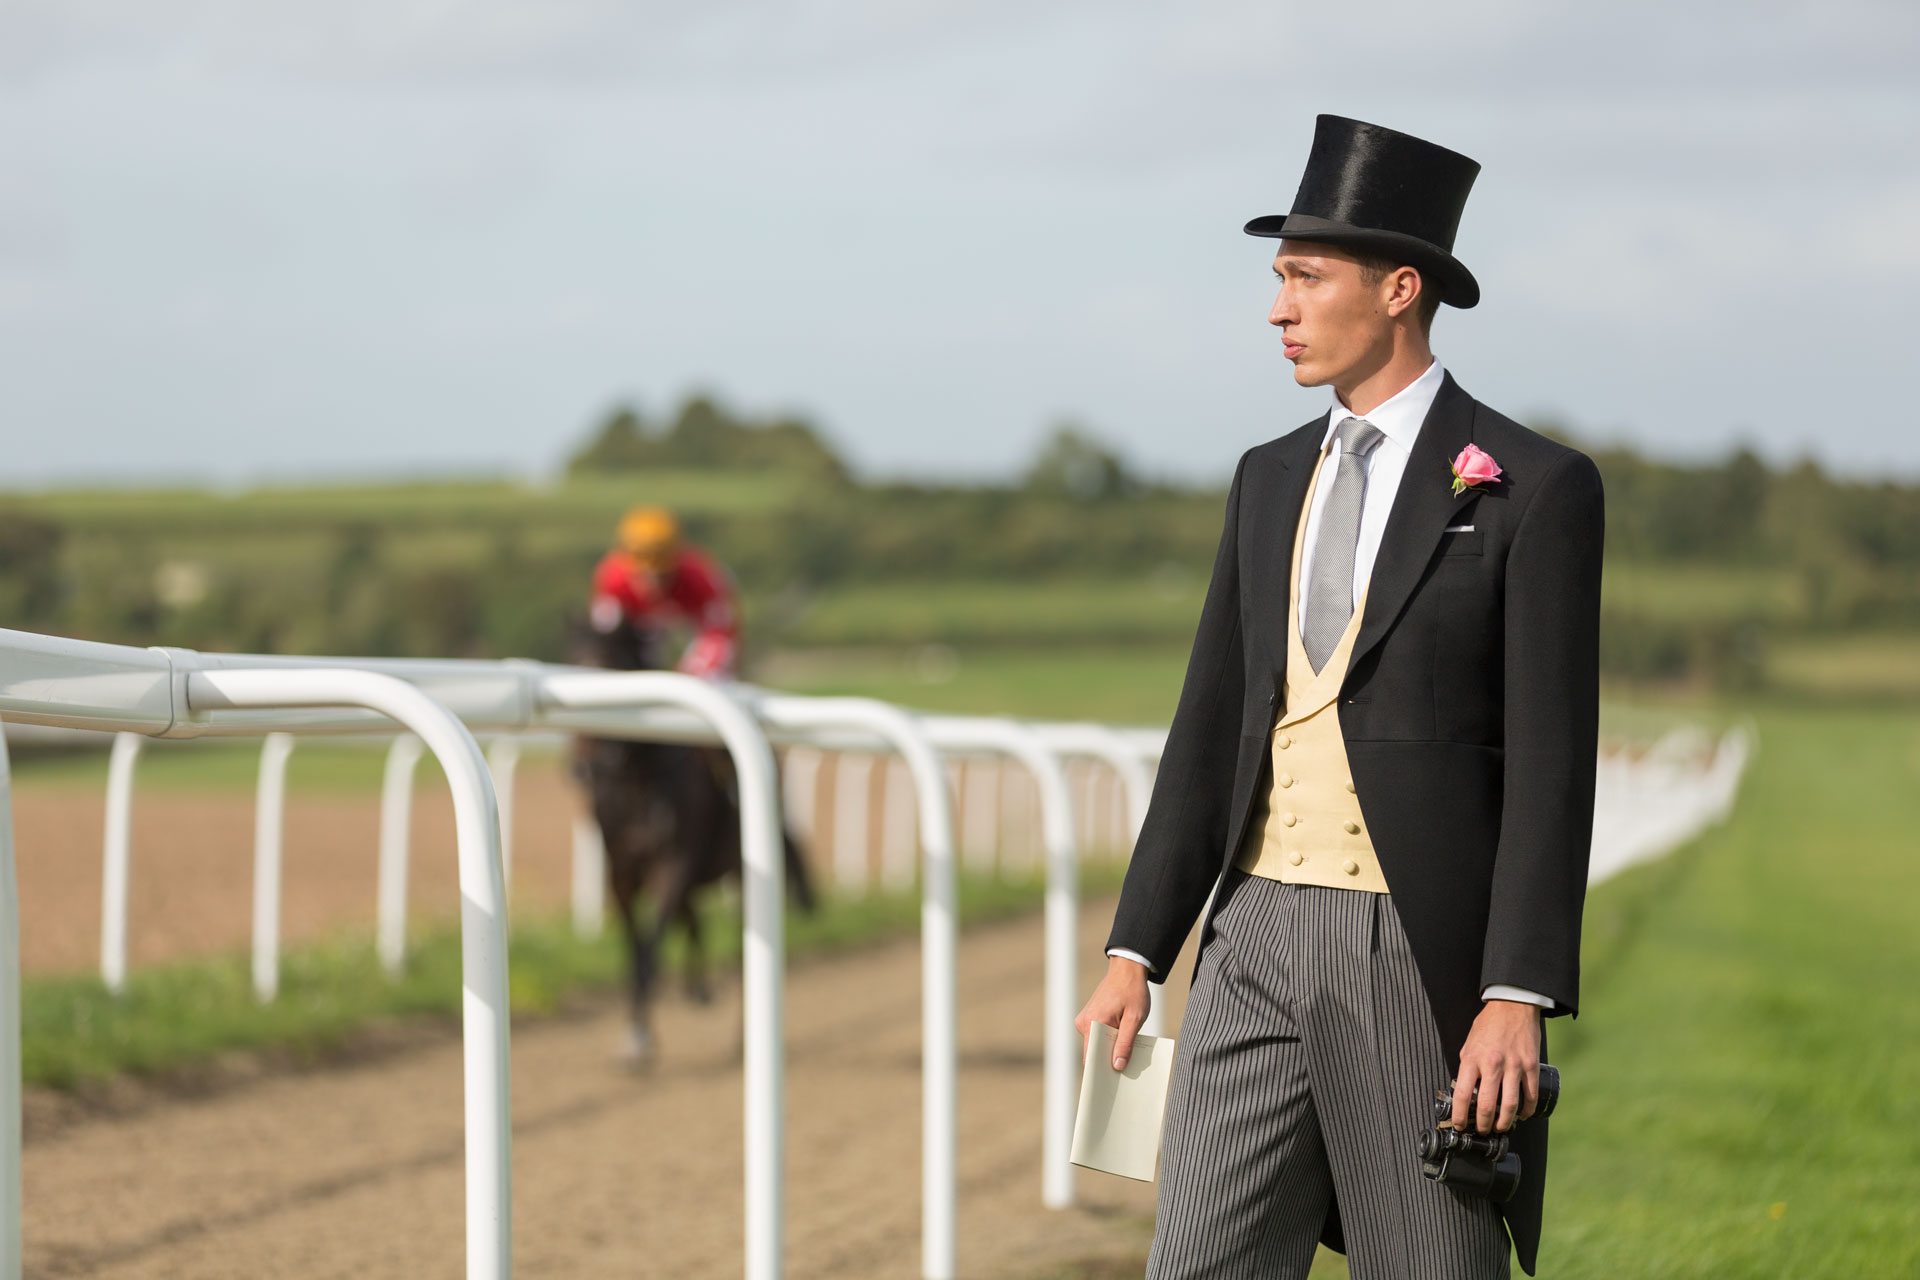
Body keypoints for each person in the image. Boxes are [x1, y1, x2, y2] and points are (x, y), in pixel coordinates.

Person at [1074, 115, 1605, 1278]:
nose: (1279, 308)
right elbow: (1211, 720)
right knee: (1197, 1264)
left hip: (1416, 953)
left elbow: (1554, 764)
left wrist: (1515, 991)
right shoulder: (1266, 478)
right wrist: (1137, 949)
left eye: (1306, 278)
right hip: (1252, 929)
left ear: (1401, 287)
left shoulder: (1537, 488)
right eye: (1279, 280)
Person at [589, 505, 741, 679]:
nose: (651, 583)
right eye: (641, 575)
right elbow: (603, 634)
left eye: (661, 575)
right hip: (645, 635)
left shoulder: (699, 577)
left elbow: (720, 636)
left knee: (713, 674)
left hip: (694, 629)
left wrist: (694, 674)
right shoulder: (612, 578)